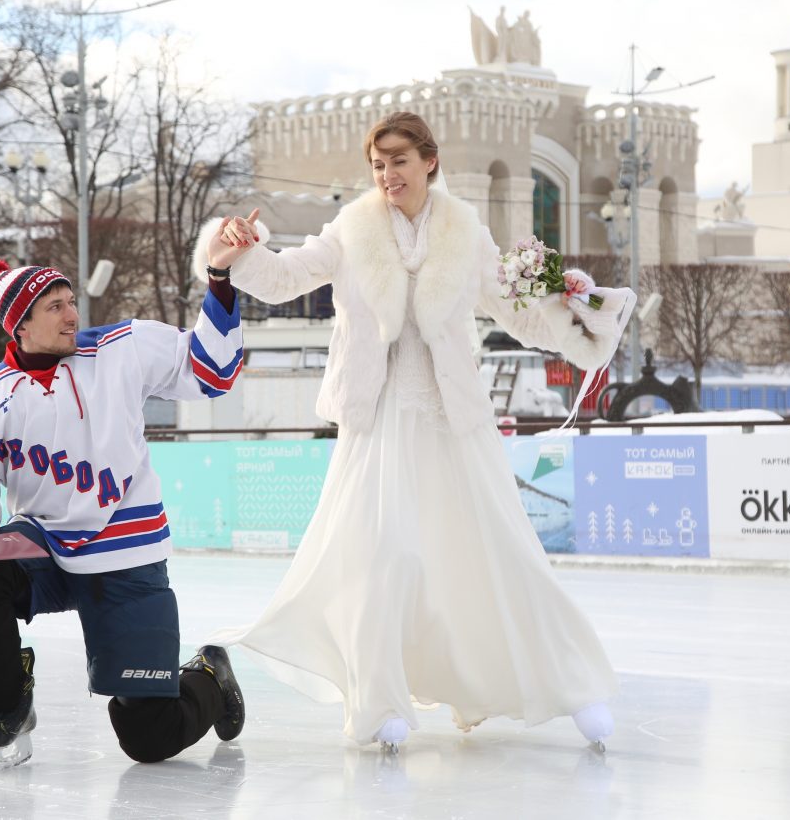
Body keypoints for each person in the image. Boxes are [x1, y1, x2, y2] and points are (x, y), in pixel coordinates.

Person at [193, 111, 626, 751]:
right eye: (377, 164)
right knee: (380, 557)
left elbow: (518, 314)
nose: (387, 174)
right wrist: (233, 253)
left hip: (454, 420)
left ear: (429, 162)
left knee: (497, 550)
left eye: (398, 161)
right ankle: (379, 698)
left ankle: (571, 685)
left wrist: (575, 313)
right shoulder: (353, 228)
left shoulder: (465, 231)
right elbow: (287, 278)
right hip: (379, 419)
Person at [0, 230, 252, 770]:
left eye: (70, 301)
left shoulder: (122, 348)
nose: (70, 314)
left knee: (148, 738)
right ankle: (6, 707)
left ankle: (208, 678)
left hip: (126, 553)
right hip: (47, 548)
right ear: (20, 323)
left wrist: (219, 280)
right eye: (53, 306)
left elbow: (212, 371)